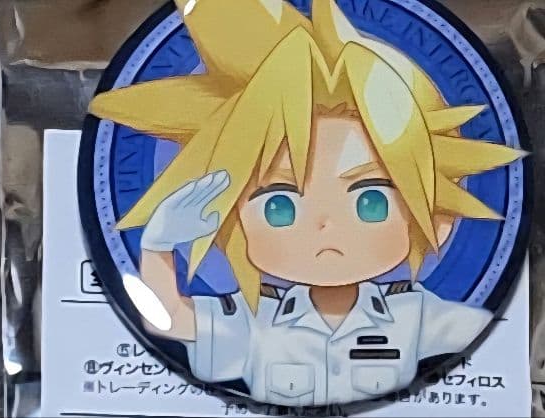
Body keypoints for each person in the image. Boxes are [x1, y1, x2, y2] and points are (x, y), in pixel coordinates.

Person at [89, 0, 526, 406]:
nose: (325, 226)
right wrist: (158, 246)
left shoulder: (417, 316)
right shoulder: (253, 320)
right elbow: (168, 321)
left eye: (370, 202)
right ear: (233, 219)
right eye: (279, 207)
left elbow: (474, 325)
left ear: (437, 218)